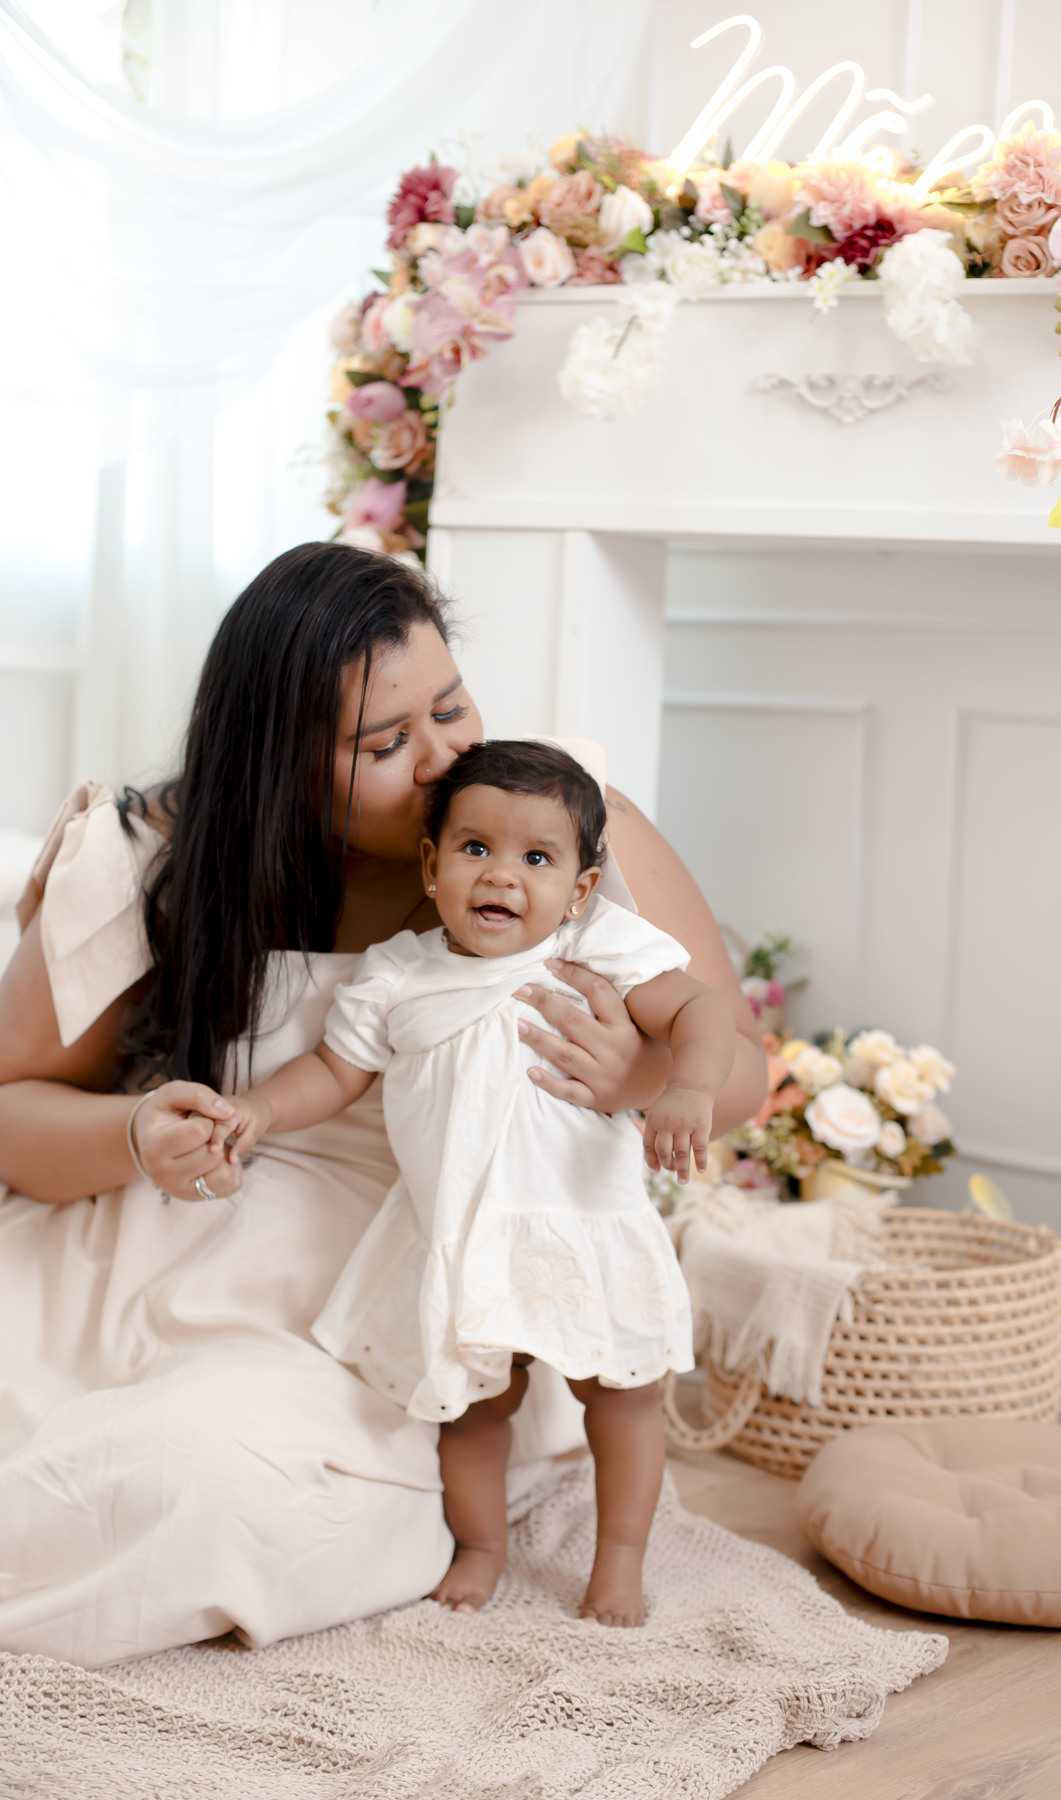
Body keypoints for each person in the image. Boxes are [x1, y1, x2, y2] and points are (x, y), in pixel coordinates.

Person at [0, 541, 766, 1668]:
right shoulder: (151, 855)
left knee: (186, 1480)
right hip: (138, 1258)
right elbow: (13, 1112)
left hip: (411, 1291)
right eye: (385, 744)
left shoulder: (552, 826)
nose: (445, 757)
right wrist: (135, 1133)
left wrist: (636, 1078)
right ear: (276, 763)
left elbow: (738, 1065)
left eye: (450, 706)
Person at [211, 740, 735, 1627]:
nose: (501, 875)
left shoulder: (592, 948)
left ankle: (620, 1559)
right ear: (432, 865)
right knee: (477, 1409)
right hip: (460, 1230)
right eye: (476, 848)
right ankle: (482, 1546)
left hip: (582, 1222)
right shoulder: (400, 974)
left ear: (580, 888)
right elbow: (334, 1073)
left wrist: (687, 1086)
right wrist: (258, 1108)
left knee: (623, 1397)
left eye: (537, 858)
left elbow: (699, 1008)